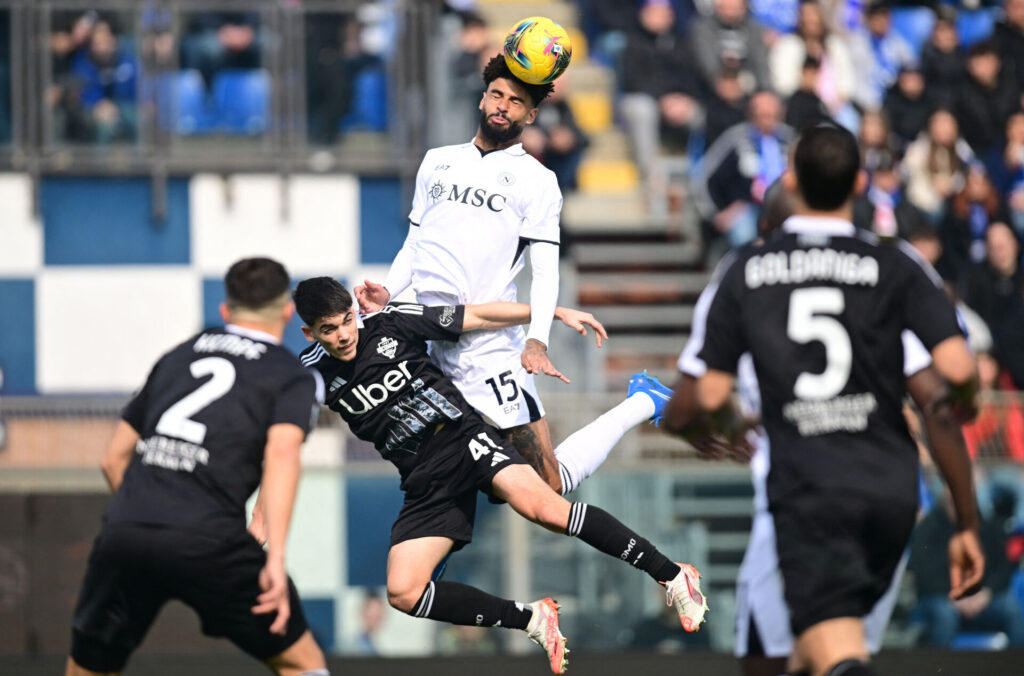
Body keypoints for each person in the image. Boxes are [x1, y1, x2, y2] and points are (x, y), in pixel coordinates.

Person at [664, 125, 984, 676]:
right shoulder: (895, 264)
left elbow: (701, 399)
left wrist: (722, 428)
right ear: (861, 183)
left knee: (794, 656)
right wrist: (967, 520)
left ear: (789, 179)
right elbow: (949, 384)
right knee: (819, 650)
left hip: (807, 489)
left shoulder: (750, 273)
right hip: (893, 493)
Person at [293, 277, 708, 674]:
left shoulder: (390, 321)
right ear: (310, 333)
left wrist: (549, 313)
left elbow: (478, 316)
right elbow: (281, 431)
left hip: (463, 438)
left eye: (348, 319)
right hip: (423, 477)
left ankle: (672, 575)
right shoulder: (310, 373)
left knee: (546, 507)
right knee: (404, 591)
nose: (345, 334)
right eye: (329, 329)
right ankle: (531, 619)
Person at [354, 54, 674, 497]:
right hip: (429, 343)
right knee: (445, 478)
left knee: (547, 487)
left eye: (516, 101)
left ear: (531, 114)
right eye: (497, 95)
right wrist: (389, 289)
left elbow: (545, 271)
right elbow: (416, 240)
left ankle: (643, 401)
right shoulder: (437, 161)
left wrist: (536, 340)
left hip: (487, 350)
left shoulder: (538, 181)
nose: (503, 106)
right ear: (482, 99)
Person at [66, 258, 328, 676]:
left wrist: (147, 518)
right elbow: (282, 455)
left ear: (226, 312)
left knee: (90, 669)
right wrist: (275, 559)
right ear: (285, 311)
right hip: (209, 538)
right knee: (301, 663)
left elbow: (112, 458)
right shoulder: (289, 374)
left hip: (127, 529)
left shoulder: (177, 357)